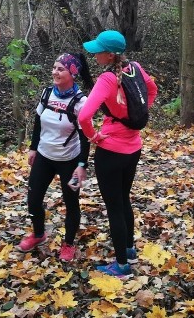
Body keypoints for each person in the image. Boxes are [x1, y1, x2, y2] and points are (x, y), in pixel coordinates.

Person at [74, 30, 158, 278]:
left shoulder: (107, 79)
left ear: (109, 55)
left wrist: (93, 137)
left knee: (114, 207)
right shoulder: (136, 68)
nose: (94, 53)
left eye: (98, 50)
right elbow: (152, 91)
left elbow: (84, 116)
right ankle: (129, 250)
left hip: (110, 152)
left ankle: (121, 266)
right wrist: (135, 115)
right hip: (133, 149)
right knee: (123, 200)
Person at [17, 53, 94, 262]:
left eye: (60, 69)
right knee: (33, 200)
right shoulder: (47, 93)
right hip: (44, 156)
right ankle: (39, 233)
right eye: (54, 67)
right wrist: (33, 148)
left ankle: (68, 244)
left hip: (69, 160)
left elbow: (85, 137)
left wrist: (82, 165)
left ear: (72, 73)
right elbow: (38, 120)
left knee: (71, 203)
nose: (55, 72)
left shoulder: (81, 102)